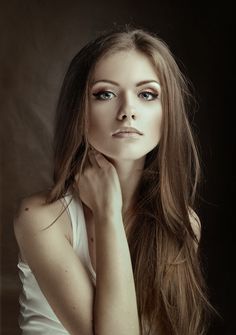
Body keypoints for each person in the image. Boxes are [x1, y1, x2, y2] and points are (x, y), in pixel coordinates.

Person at [14, 26, 212, 335]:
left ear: (167, 111)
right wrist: (108, 212)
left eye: (147, 94)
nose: (127, 111)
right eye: (105, 94)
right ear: (79, 109)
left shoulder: (182, 225)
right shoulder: (41, 219)